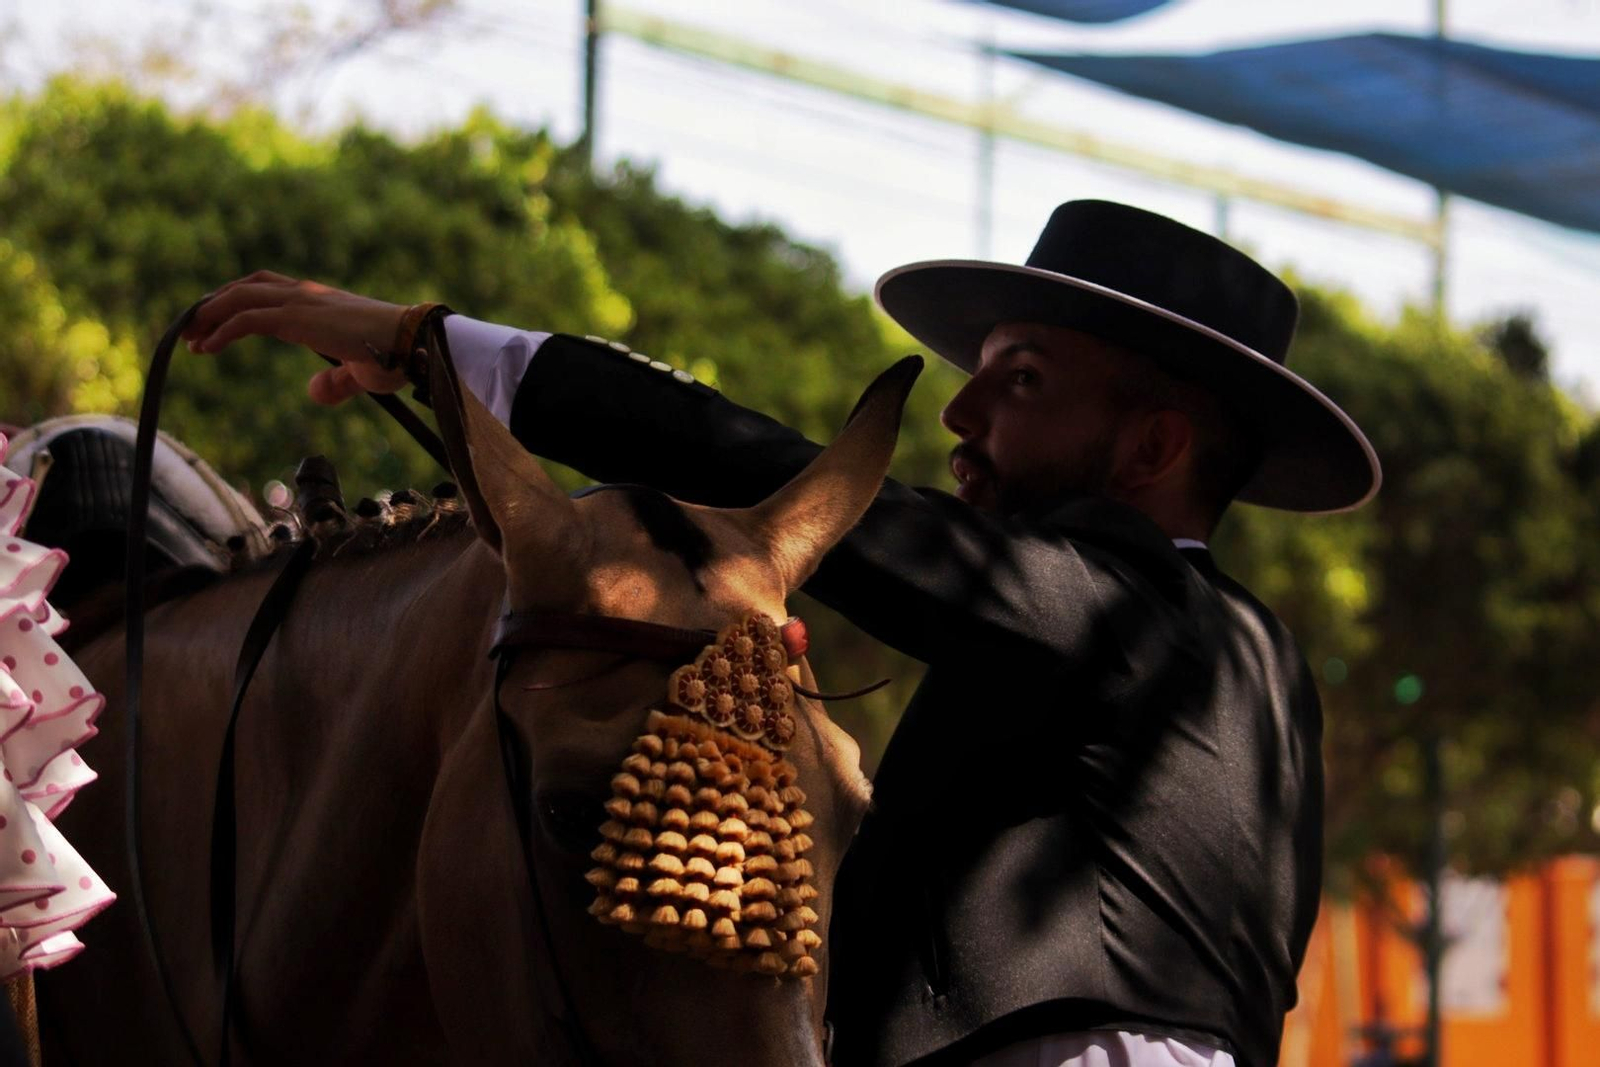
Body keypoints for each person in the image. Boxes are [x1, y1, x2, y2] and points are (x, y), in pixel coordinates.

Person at [184, 200, 1380, 1067]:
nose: (956, 413)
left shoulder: (1116, 604)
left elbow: (746, 458)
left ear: (1154, 449)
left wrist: (432, 345)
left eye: (1017, 380)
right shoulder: (1256, 661)